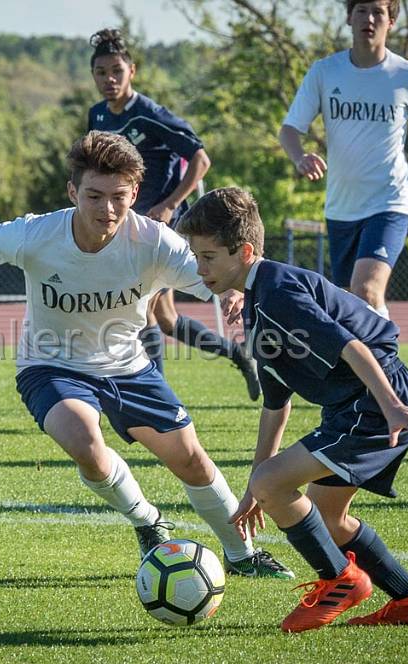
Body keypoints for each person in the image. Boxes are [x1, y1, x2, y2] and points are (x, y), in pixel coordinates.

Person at [0, 131, 293, 579]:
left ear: (135, 193)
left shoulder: (155, 242)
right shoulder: (36, 234)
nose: (108, 209)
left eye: (119, 196)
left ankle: (242, 554)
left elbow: (219, 271)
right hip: (51, 365)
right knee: (85, 443)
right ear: (73, 191)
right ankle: (148, 521)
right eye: (94, 196)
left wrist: (236, 294)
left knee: (191, 460)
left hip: (130, 367)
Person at [178, 186, 408, 632]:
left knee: (278, 485)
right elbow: (275, 403)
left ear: (244, 251)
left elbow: (352, 346)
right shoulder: (257, 301)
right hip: (362, 403)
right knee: (326, 518)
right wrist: (254, 489)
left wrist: (393, 405)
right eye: (196, 256)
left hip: (373, 401)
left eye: (208, 257)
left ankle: (340, 580)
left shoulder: (279, 293)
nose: (199, 267)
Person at [279, 0, 408, 320]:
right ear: (348, 17)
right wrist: (299, 156)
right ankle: (381, 356)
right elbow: (289, 129)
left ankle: (388, 366)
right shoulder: (325, 71)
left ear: (391, 22)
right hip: (341, 208)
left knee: (366, 291)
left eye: (378, 12)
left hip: (389, 203)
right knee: (350, 305)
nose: (369, 18)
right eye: (361, 10)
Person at [87, 28, 260, 400]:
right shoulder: (97, 115)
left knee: (144, 309)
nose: (109, 79)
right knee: (165, 319)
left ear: (132, 70)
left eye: (117, 70)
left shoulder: (149, 115)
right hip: (126, 223)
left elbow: (201, 159)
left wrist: (169, 204)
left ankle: (157, 398)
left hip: (159, 227)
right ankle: (238, 355)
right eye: (101, 72)